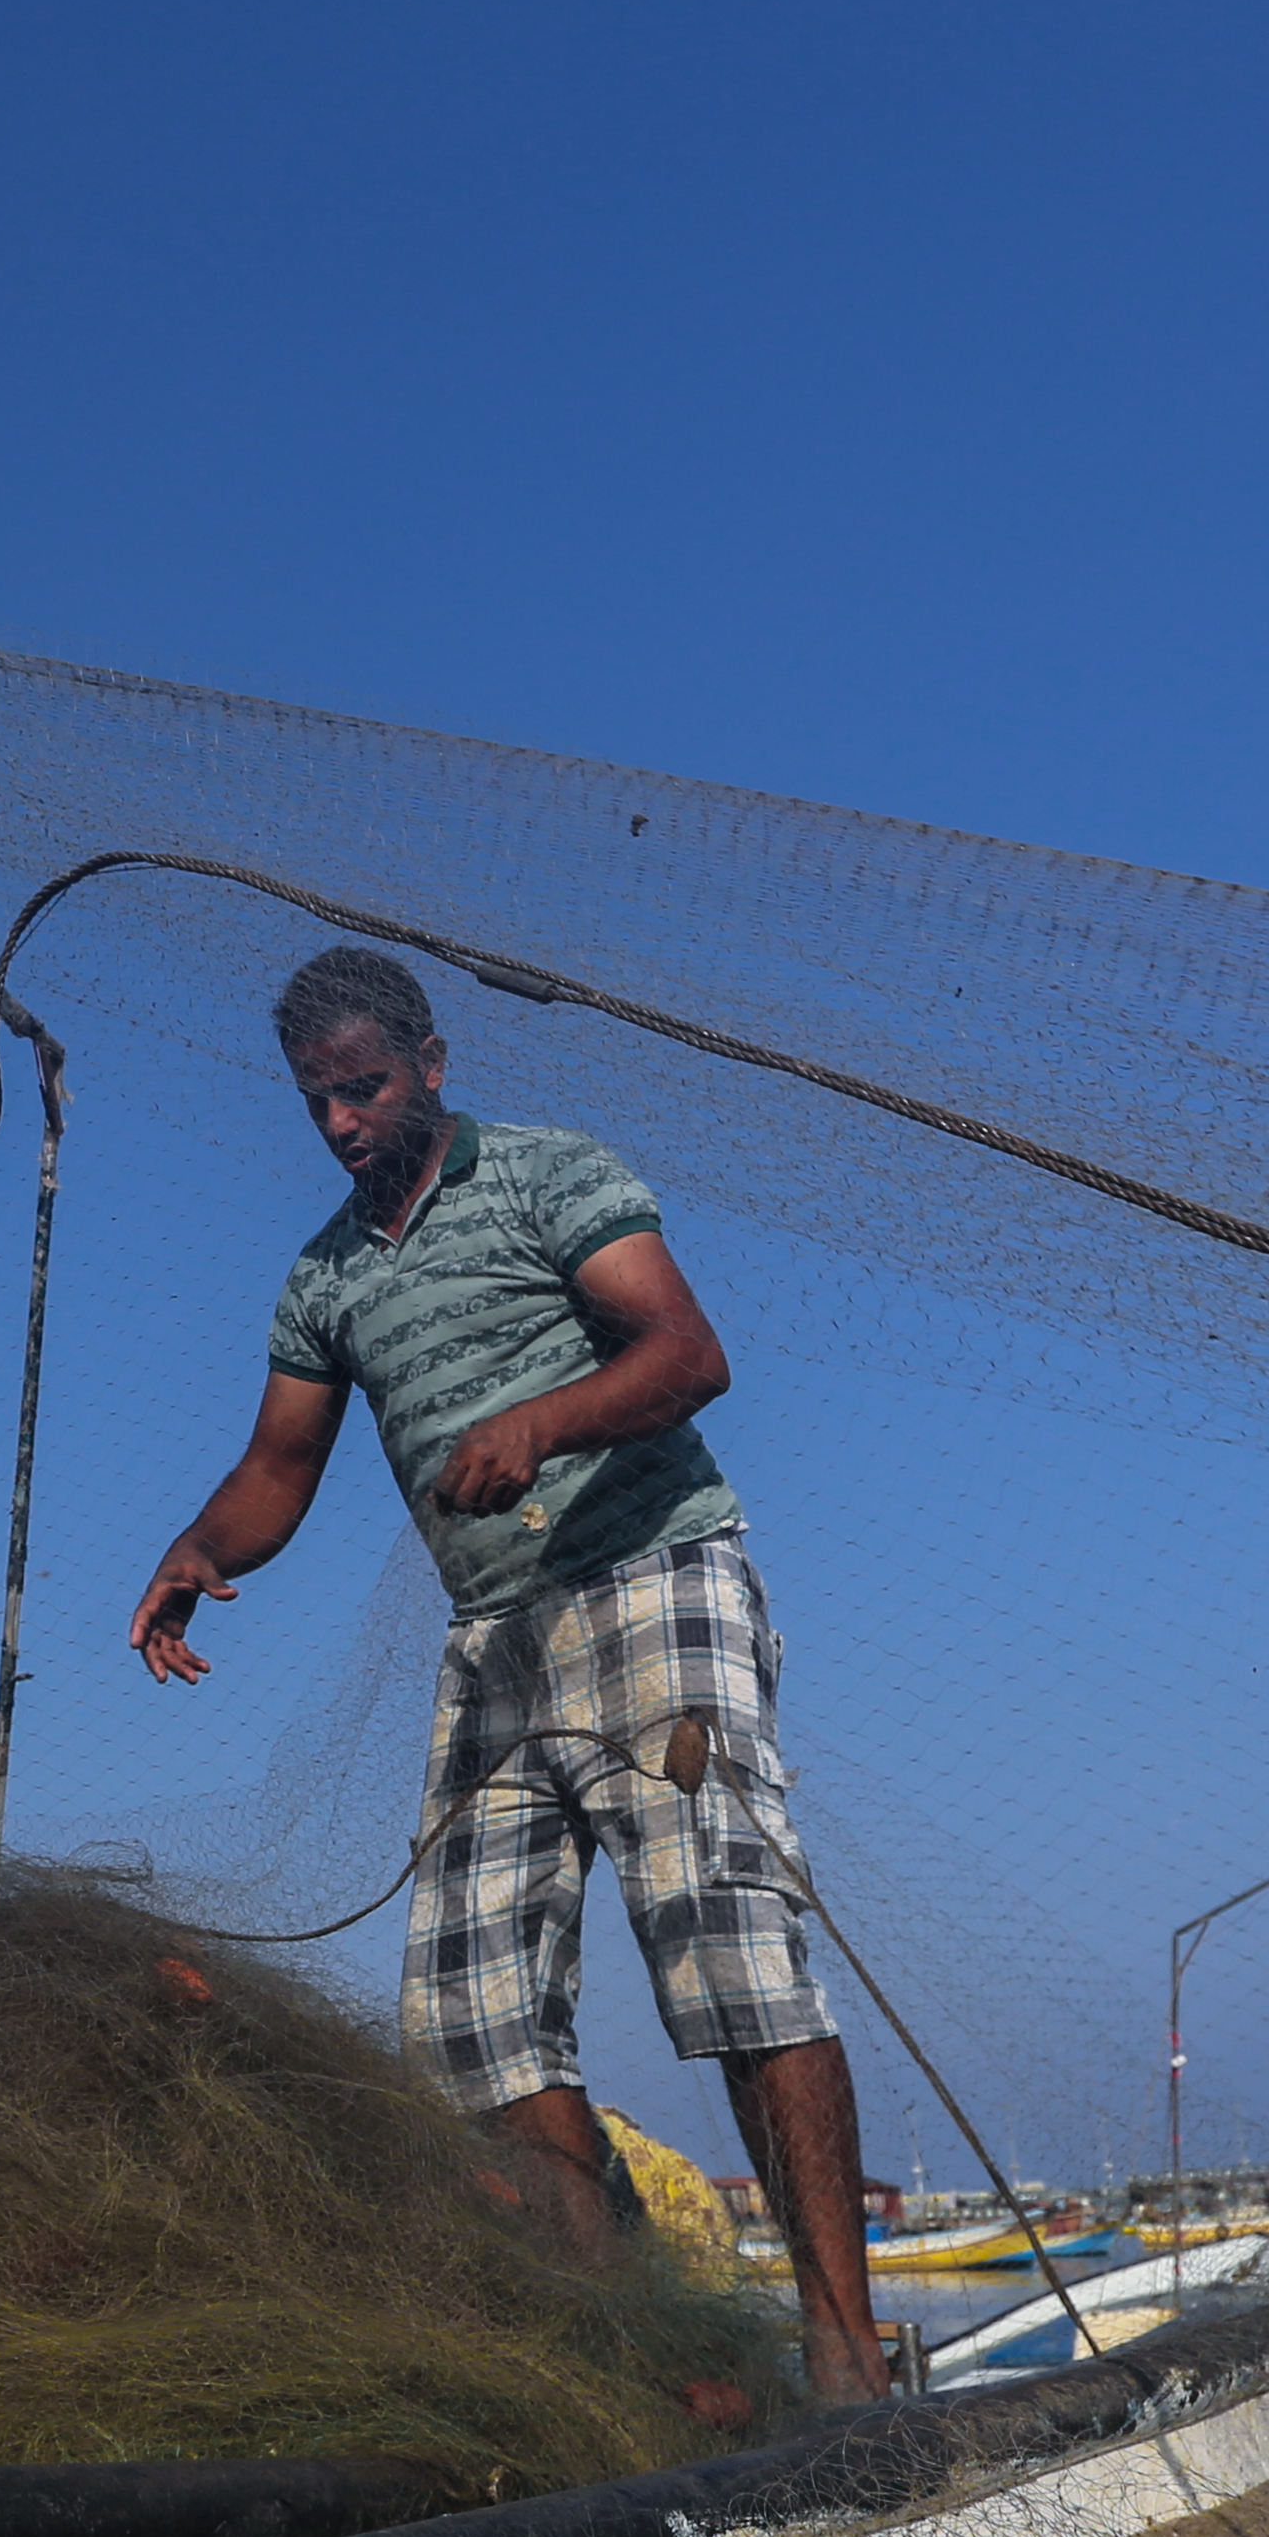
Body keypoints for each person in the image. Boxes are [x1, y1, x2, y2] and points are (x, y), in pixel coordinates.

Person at [129, 944, 887, 2401]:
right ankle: (630, 2366)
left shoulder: (547, 1177)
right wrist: (194, 1546)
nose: (345, 1123)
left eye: (363, 1086)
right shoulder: (327, 1276)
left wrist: (539, 1424)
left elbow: (685, 1351)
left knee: (729, 1947)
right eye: (317, 1103)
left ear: (428, 1060)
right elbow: (279, 1469)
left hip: (650, 1577)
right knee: (472, 2014)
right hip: (497, 1643)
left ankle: (845, 2351)